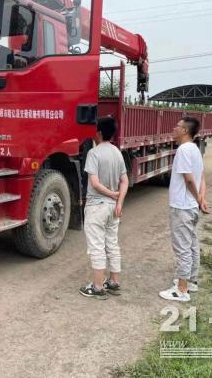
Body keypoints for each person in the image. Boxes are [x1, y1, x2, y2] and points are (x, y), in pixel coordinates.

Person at [159, 117, 207, 302]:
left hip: (182, 207)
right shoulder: (195, 149)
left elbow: (189, 179)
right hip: (190, 206)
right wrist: (200, 198)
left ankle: (181, 289)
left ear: (185, 131)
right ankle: (191, 281)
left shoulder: (184, 150)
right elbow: (201, 176)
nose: (174, 128)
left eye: (177, 126)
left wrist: (197, 197)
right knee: (191, 244)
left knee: (182, 248)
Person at [79, 117, 129, 299]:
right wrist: (119, 201)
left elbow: (94, 183)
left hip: (97, 206)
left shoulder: (94, 153)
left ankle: (98, 286)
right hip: (113, 208)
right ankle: (113, 281)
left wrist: (111, 194)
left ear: (99, 133)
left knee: (96, 246)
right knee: (112, 243)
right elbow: (124, 181)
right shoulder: (117, 152)